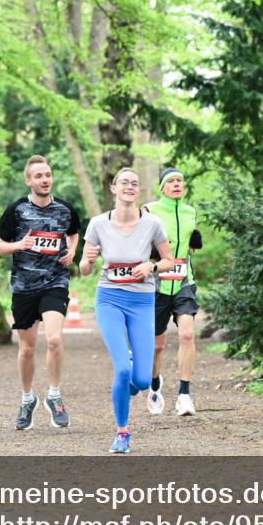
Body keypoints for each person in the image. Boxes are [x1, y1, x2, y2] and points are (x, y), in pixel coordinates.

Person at [80, 168, 174, 454]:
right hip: (109, 299)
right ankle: (122, 433)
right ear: (113, 188)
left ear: (138, 190)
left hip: (142, 301)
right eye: (124, 183)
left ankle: (133, 369)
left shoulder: (152, 223)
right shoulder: (97, 224)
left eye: (134, 183)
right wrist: (87, 259)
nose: (129, 187)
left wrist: (152, 266)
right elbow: (83, 270)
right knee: (122, 370)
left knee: (143, 380)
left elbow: (170, 260)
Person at [0, 155, 80, 431]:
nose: (45, 180)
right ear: (28, 181)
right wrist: (20, 244)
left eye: (48, 174)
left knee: (54, 339)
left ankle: (54, 396)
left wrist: (71, 250)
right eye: (39, 176)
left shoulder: (65, 209)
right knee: (27, 349)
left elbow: (74, 232)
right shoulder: (16, 210)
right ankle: (27, 398)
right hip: (24, 287)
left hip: (54, 282)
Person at [144, 167, 202, 417]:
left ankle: (184, 395)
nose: (177, 184)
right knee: (158, 346)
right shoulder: (149, 210)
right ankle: (155, 385)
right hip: (157, 283)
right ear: (162, 187)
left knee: (187, 334)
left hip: (183, 281)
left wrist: (193, 244)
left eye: (180, 180)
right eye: (171, 181)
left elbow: (190, 245)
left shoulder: (191, 212)